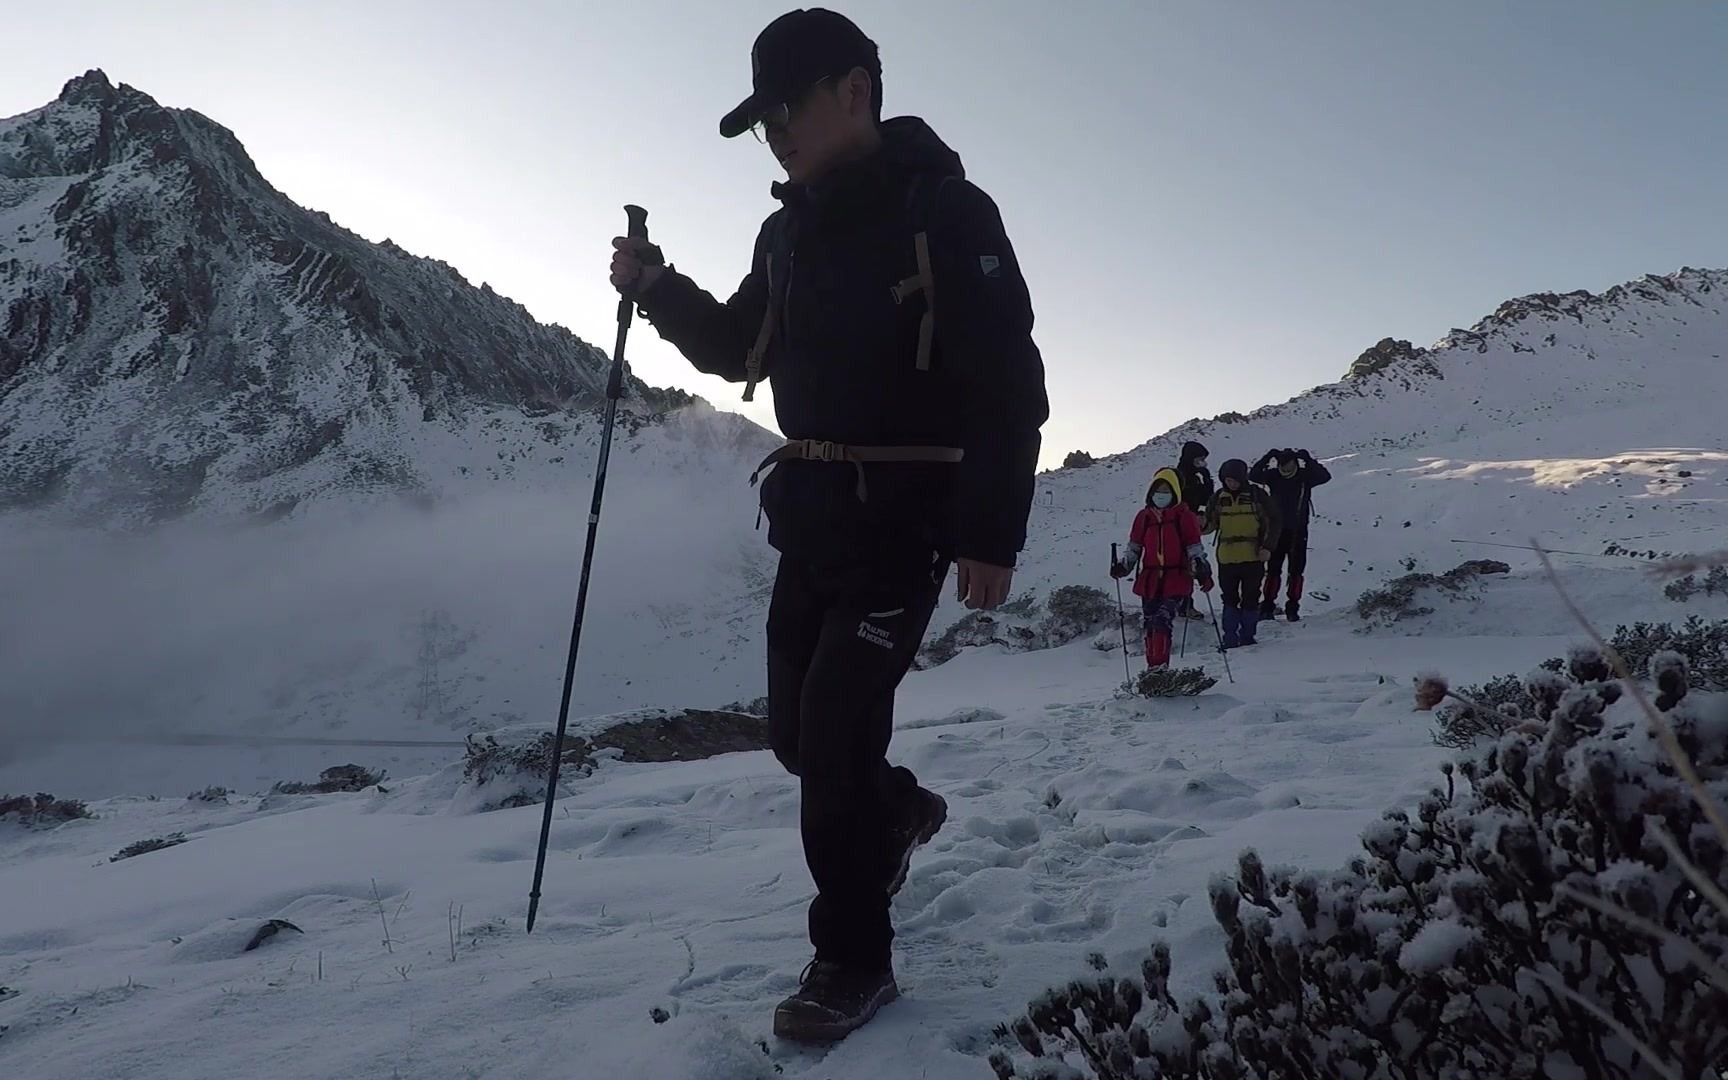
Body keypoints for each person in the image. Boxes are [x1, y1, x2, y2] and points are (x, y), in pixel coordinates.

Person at [608, 8, 1048, 1043]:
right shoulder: (787, 232)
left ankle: (851, 958)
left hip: (907, 518)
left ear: (855, 91)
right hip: (809, 514)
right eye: (762, 119)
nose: (775, 133)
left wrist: (992, 530)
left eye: (785, 108)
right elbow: (734, 345)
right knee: (797, 737)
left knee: (840, 729)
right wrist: (659, 287)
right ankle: (894, 812)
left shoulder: (947, 211)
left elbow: (1008, 382)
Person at [1112, 469, 1212, 668]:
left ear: (1174, 492)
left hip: (1176, 579)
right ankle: (1153, 668)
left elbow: (1194, 547)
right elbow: (1134, 547)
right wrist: (1123, 567)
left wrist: (1203, 571)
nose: (1161, 494)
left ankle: (1160, 668)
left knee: (1161, 620)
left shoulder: (1185, 516)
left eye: (1166, 489)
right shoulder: (1143, 517)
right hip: (1150, 581)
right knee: (1150, 624)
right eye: (1158, 489)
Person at [1204, 459, 1281, 648]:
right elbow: (1210, 525)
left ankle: (1247, 637)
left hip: (1253, 557)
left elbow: (1274, 520)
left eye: (1234, 480)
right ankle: (1230, 638)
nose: (1231, 484)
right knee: (1229, 599)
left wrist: (1268, 547)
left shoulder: (1257, 495)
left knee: (1251, 598)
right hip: (1226, 558)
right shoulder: (1218, 498)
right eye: (1227, 480)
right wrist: (1199, 524)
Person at [1249, 448, 1332, 621]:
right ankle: (1268, 606)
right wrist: (1267, 456)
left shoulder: (1304, 476)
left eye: (1287, 464)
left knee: (1296, 571)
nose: (1285, 468)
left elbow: (1325, 476)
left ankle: (1292, 607)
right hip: (1276, 530)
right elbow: (1254, 475)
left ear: (1295, 463)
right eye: (1282, 465)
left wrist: (1309, 460)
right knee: (1273, 570)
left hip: (1298, 530)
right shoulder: (1274, 476)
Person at [1171, 441, 1214, 620]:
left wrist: (1207, 479)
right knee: (1179, 565)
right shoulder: (1177, 476)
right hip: (1176, 526)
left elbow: (1206, 498)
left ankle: (1186, 604)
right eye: (1199, 459)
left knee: (1191, 563)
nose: (1202, 462)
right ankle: (1182, 605)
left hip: (1191, 525)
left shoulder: (1196, 477)